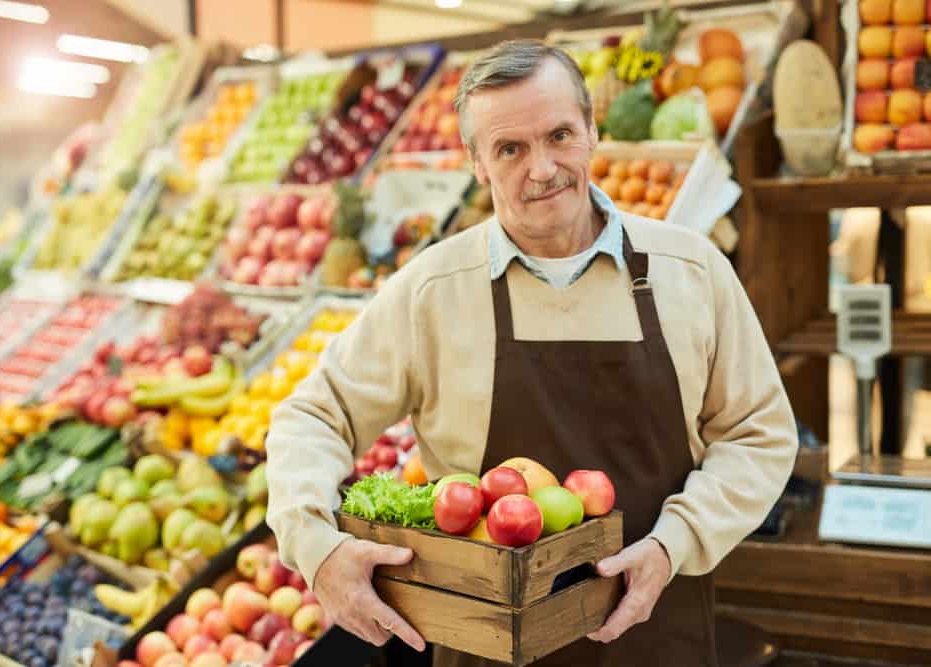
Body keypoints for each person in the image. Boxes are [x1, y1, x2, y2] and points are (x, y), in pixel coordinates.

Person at [266, 39, 797, 666]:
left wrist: (675, 541)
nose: (542, 168)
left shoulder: (690, 269)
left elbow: (759, 434)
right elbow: (312, 416)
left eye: (559, 135)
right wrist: (317, 547)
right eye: (510, 149)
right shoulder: (433, 289)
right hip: (484, 644)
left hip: (657, 628)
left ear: (593, 131)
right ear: (476, 163)